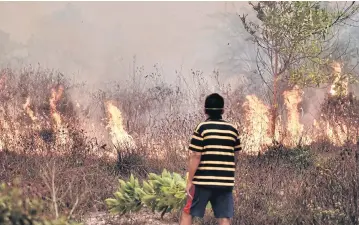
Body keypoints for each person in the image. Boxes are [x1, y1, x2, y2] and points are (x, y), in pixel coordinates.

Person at [180, 93, 242, 225]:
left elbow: (196, 155)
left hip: (202, 182)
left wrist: (190, 180)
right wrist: (229, 171)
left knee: (188, 212)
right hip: (225, 182)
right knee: (224, 217)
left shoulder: (202, 128)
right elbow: (236, 155)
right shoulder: (232, 130)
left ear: (205, 110)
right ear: (223, 110)